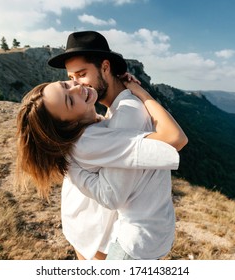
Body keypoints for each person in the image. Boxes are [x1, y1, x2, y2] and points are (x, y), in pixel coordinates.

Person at [46, 31, 187, 260]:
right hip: (121, 232)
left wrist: (72, 167)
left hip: (133, 239)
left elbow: (113, 195)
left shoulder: (126, 113)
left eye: (82, 74)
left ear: (104, 67)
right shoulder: (117, 109)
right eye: (71, 78)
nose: (77, 85)